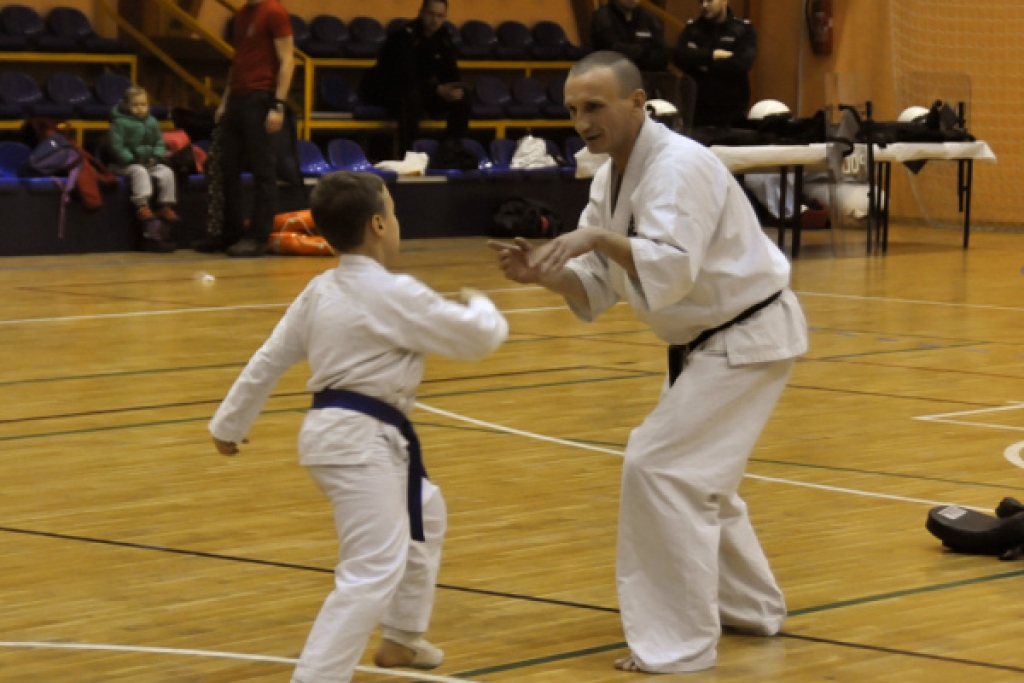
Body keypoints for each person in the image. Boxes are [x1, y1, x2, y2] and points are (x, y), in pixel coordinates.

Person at [488, 52, 807, 674]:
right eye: (573, 110)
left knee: (659, 466)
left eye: (594, 106)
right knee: (696, 476)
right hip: (709, 341)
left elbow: (670, 266)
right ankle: (750, 607)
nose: (582, 122)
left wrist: (595, 238)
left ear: (637, 103)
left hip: (746, 334)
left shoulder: (679, 166)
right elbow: (597, 282)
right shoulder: (611, 176)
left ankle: (678, 643)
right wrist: (542, 275)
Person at [208, 171, 508, 683]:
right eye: (393, 211)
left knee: (425, 512)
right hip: (360, 443)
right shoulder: (392, 293)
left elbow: (270, 358)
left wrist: (228, 424)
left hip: (337, 436)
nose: (396, 221)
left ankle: (401, 637)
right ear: (378, 225)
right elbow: (478, 337)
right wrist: (481, 302)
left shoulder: (320, 290)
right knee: (370, 570)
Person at [198, 0, 295, 258]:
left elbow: (287, 61)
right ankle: (230, 233)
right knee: (227, 167)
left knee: (263, 169)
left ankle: (258, 236)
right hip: (238, 98)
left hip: (260, 97)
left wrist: (278, 105)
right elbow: (238, 60)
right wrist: (225, 102)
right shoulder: (242, 14)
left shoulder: (274, 12)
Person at [359, 0, 470, 154]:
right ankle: (408, 153)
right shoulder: (403, 36)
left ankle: (450, 150)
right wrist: (437, 89)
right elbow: (403, 76)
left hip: (424, 90)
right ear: (421, 13)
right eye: (431, 14)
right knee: (410, 97)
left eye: (440, 16)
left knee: (463, 98)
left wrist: (454, 89)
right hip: (388, 90)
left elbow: (450, 72)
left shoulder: (444, 38)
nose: (434, 20)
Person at [108, 85, 180, 253]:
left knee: (166, 172)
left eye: (143, 104)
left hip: (148, 162)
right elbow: (116, 147)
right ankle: (142, 205)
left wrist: (156, 156)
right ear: (126, 105)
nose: (140, 108)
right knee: (139, 172)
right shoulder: (118, 123)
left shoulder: (152, 122)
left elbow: (159, 142)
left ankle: (165, 204)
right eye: (135, 105)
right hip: (125, 164)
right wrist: (131, 159)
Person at [672, 0, 757, 128]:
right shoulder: (692, 28)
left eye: (710, 1)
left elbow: (741, 64)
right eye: (701, 1)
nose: (704, 5)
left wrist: (702, 63)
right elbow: (679, 56)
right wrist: (713, 55)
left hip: (731, 108)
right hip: (697, 108)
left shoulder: (743, 29)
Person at [590, 0, 669, 73]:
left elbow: (663, 57)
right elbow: (613, 52)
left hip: (647, 76)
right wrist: (644, 51)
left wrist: (635, 53)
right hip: (613, 76)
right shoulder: (602, 16)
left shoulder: (648, 17)